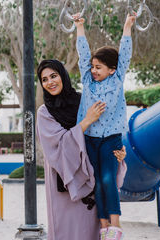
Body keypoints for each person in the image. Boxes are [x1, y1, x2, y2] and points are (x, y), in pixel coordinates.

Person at [36, 59, 127, 240]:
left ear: (63, 76)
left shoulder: (85, 101)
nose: (50, 82)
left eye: (53, 76)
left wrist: (118, 154)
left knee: (94, 232)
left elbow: (106, 133)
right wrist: (86, 122)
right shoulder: (44, 112)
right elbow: (57, 147)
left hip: (93, 179)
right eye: (44, 79)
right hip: (66, 185)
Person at [74, 13, 136, 240]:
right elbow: (82, 55)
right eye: (92, 66)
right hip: (90, 137)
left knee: (108, 178)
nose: (93, 70)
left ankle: (115, 225)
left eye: (98, 67)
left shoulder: (117, 78)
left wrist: (127, 26)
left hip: (111, 137)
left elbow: (125, 54)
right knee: (96, 180)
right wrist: (80, 27)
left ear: (111, 69)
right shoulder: (88, 81)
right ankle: (103, 226)